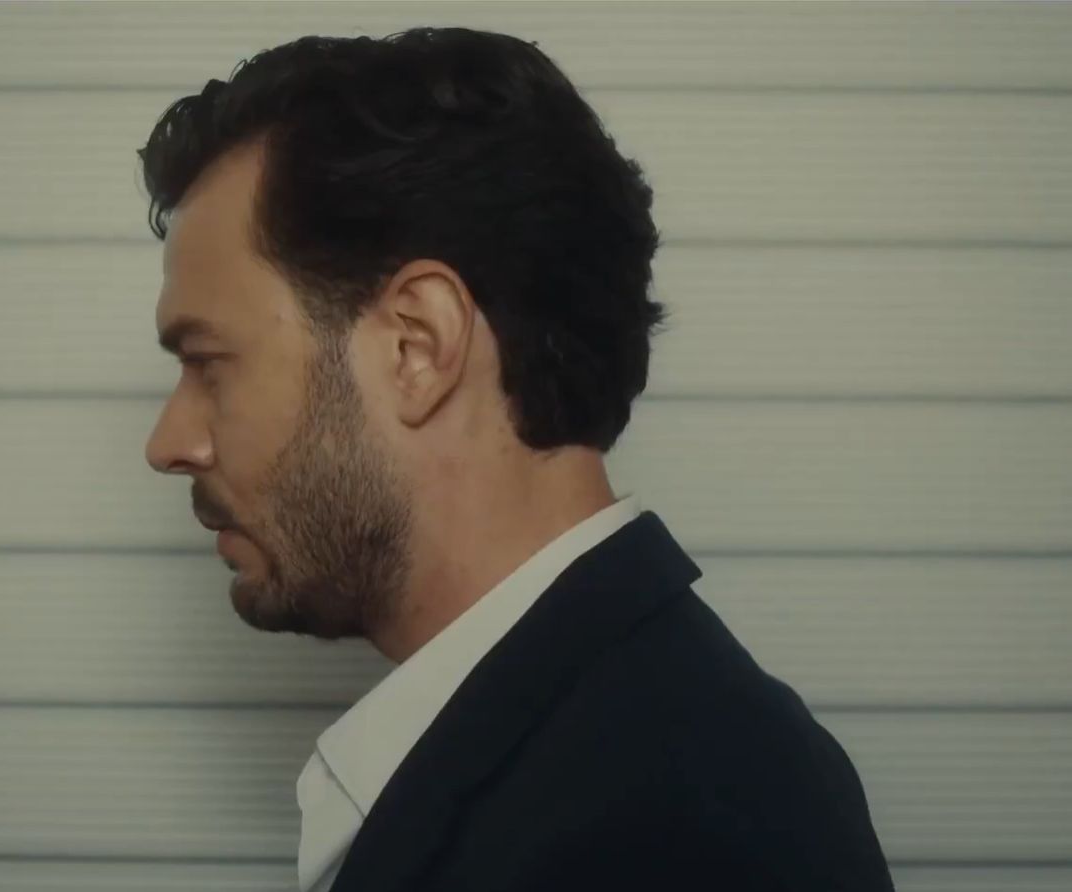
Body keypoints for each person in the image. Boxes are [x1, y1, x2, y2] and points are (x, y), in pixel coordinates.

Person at [138, 26, 893, 892]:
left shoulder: (674, 830)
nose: (169, 444)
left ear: (416, 346)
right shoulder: (615, 748)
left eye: (208, 364)